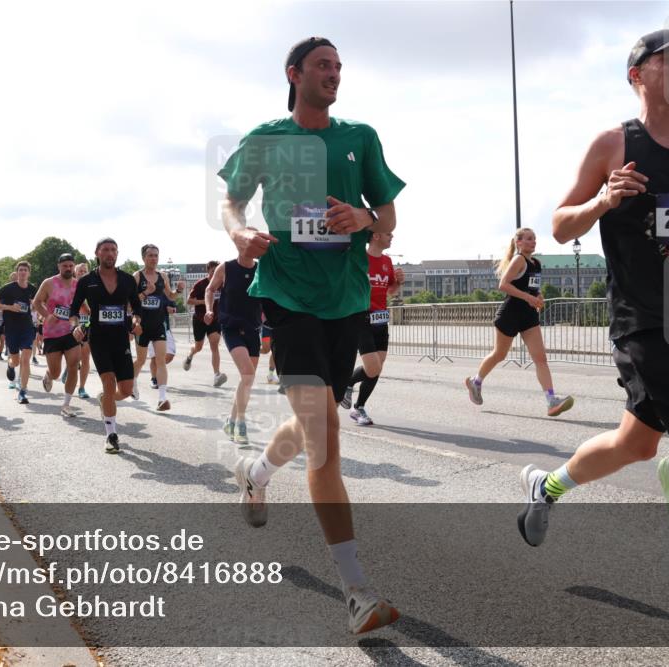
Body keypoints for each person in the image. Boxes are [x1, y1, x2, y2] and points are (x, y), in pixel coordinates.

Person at [515, 28, 669, 626]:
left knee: (635, 444)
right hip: (640, 317)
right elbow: (560, 225)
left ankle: (549, 486)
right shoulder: (615, 144)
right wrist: (604, 201)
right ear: (638, 74)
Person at [219, 37, 405, 634]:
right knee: (324, 433)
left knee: (310, 421)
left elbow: (387, 219)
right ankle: (357, 591)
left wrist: (368, 220)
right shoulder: (267, 138)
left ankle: (257, 472)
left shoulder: (360, 137)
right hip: (287, 296)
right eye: (324, 65)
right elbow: (231, 200)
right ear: (294, 74)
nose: (335, 74)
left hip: (346, 299)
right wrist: (239, 233)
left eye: (339, 67)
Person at [464, 229, 574, 416]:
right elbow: (504, 285)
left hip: (529, 316)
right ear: (519, 243)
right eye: (529, 239)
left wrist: (538, 297)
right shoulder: (518, 260)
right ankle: (476, 381)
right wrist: (528, 298)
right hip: (511, 313)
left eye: (535, 239)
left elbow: (532, 288)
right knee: (499, 354)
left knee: (541, 359)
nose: (533, 242)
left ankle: (551, 401)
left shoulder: (536, 263)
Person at [69, 238, 142, 453]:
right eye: (105, 250)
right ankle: (111, 434)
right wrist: (76, 326)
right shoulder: (86, 281)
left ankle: (104, 399)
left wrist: (137, 322)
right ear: (97, 253)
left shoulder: (128, 280)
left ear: (117, 254)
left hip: (121, 339)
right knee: (109, 382)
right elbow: (74, 310)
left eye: (113, 250)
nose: (110, 253)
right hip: (99, 338)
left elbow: (137, 309)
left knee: (126, 390)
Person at [339, 231, 402, 425]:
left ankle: (359, 408)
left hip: (381, 320)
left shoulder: (387, 261)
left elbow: (390, 291)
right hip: (361, 317)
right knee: (372, 366)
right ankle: (347, 384)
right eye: (388, 234)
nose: (391, 237)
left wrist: (398, 283)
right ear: (376, 235)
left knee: (376, 369)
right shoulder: (359, 258)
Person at [206, 254, 262, 445]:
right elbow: (210, 289)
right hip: (231, 327)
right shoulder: (226, 267)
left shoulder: (261, 268)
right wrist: (209, 309)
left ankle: (230, 421)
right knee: (247, 374)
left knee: (248, 380)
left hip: (253, 328)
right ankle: (240, 423)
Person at [131, 244, 184, 410]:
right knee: (140, 360)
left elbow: (170, 295)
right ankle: (132, 382)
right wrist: (146, 292)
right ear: (143, 258)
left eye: (156, 255)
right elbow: (130, 302)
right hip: (142, 325)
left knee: (160, 361)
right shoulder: (137, 277)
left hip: (158, 325)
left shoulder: (163, 276)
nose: (154, 258)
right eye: (150, 256)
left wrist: (179, 291)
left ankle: (162, 398)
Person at [33, 253, 82, 416]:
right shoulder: (49, 283)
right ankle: (49, 374)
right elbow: (36, 302)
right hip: (52, 333)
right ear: (59, 266)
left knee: (74, 365)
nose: (68, 268)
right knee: (56, 372)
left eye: (70, 266)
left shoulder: (77, 284)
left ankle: (66, 405)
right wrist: (47, 315)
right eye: (65, 266)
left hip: (71, 331)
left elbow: (83, 305)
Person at [0, 262, 38, 405]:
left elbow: (42, 303)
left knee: (25, 359)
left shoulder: (33, 289)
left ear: (29, 273)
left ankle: (23, 392)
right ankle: (11, 365)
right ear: (17, 272)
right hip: (12, 329)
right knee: (16, 360)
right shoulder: (8, 288)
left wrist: (37, 304)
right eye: (20, 270)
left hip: (27, 328)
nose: (23, 272)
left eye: (25, 270)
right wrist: (9, 307)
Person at [183, 260, 227, 387]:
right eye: (213, 271)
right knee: (199, 347)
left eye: (217, 271)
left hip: (215, 319)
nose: (215, 274)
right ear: (208, 271)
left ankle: (217, 375)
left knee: (214, 344)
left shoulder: (222, 284)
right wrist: (205, 302)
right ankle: (190, 355)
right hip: (200, 319)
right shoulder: (200, 284)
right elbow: (189, 301)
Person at [73, 262, 93, 398]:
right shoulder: (70, 286)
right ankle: (70, 369)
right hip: (72, 325)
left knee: (85, 357)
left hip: (88, 324)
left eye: (84, 271)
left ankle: (81, 388)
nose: (82, 273)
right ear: (75, 273)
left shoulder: (93, 287)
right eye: (79, 271)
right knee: (74, 357)